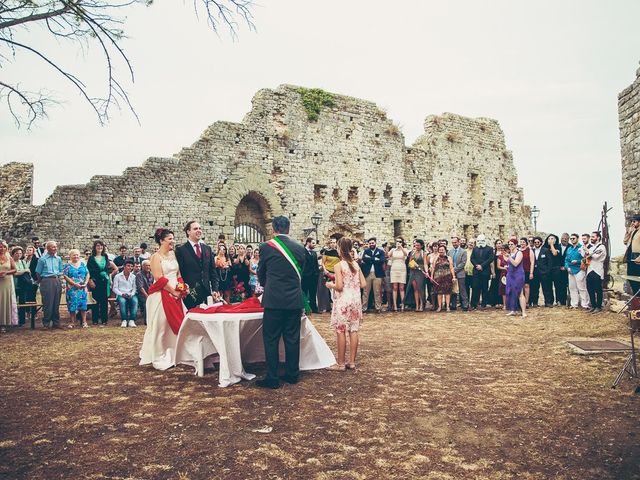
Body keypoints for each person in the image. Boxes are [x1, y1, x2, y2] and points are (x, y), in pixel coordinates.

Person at [256, 216, 306, 389]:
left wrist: (266, 285)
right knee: (292, 339)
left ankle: (272, 378)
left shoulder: (266, 247)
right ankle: (292, 375)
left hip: (274, 300)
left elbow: (261, 272)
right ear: (288, 229)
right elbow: (302, 275)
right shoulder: (300, 248)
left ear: (273, 229)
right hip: (294, 300)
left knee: (271, 339)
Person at [140, 228, 187, 370]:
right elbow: (159, 278)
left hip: (176, 292)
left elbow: (178, 273)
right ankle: (159, 354)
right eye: (169, 239)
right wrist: (172, 291)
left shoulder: (173, 254)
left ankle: (175, 351)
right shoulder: (156, 257)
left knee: (178, 323)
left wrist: (181, 288)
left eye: (173, 238)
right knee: (161, 325)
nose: (172, 241)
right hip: (162, 293)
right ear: (161, 241)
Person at [326, 237, 366, 371]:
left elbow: (339, 286)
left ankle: (341, 363)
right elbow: (364, 284)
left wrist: (329, 284)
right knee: (353, 330)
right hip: (355, 300)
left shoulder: (339, 265)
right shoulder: (356, 265)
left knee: (341, 330)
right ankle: (352, 362)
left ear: (340, 249)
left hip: (343, 301)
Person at [175, 221, 219, 309]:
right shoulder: (181, 250)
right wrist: (182, 290)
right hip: (190, 294)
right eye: (195, 229)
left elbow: (213, 272)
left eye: (200, 228)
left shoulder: (207, 249)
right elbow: (178, 274)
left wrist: (215, 289)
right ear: (188, 232)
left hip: (207, 293)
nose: (199, 231)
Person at [87, 240, 117, 326]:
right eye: (98, 246)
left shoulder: (105, 257)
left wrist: (109, 276)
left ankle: (104, 320)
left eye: (101, 246)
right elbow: (88, 271)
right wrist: (90, 280)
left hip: (104, 281)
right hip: (95, 281)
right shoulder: (91, 258)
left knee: (104, 302)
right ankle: (95, 320)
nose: (99, 247)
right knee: (95, 301)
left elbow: (108, 269)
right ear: (95, 247)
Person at [35, 240, 63, 329]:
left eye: (56, 247)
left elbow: (60, 270)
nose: (55, 248)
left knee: (56, 302)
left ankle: (56, 322)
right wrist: (42, 281)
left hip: (56, 280)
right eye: (53, 247)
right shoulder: (42, 259)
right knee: (48, 302)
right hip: (46, 280)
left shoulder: (58, 258)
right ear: (47, 248)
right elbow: (38, 273)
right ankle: (46, 323)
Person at [62, 249, 89, 328]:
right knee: (72, 305)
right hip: (72, 288)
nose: (76, 256)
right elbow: (65, 276)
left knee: (83, 305)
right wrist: (74, 284)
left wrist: (86, 283)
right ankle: (72, 322)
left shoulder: (83, 264)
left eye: (77, 254)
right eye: (74, 255)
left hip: (82, 288)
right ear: (70, 256)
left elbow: (87, 274)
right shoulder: (67, 265)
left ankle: (84, 322)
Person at [360, 237, 385, 313]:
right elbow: (364, 259)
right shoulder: (366, 251)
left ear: (375, 243)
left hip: (377, 274)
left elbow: (382, 260)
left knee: (377, 292)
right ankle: (364, 308)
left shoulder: (380, 251)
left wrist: (370, 259)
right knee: (365, 292)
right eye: (370, 243)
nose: (371, 244)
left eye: (372, 243)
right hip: (367, 274)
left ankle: (378, 308)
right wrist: (375, 259)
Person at [584, 231, 607, 314]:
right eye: (591, 237)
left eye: (593, 237)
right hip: (589, 270)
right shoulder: (592, 248)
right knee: (590, 289)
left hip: (597, 270)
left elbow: (596, 256)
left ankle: (598, 306)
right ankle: (593, 306)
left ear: (598, 238)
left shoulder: (602, 247)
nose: (591, 238)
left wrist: (588, 252)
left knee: (598, 289)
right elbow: (587, 256)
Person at [565, 233, 589, 309]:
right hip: (570, 270)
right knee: (572, 288)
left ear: (577, 239)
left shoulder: (582, 247)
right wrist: (567, 267)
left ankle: (585, 304)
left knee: (581, 288)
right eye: (571, 239)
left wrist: (578, 261)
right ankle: (574, 304)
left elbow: (586, 259)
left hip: (579, 269)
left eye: (573, 238)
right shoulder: (569, 249)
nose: (572, 240)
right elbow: (566, 260)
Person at [113, 259, 139, 327]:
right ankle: (124, 320)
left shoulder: (133, 276)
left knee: (135, 301)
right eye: (128, 266)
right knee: (122, 302)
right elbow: (114, 288)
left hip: (131, 294)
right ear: (124, 266)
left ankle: (131, 320)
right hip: (121, 294)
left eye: (131, 266)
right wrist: (122, 294)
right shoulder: (117, 276)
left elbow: (134, 288)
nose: (130, 267)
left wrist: (131, 294)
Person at [505, 238, 527, 317]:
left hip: (518, 275)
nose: (510, 246)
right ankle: (513, 310)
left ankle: (524, 312)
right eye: (509, 244)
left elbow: (516, 263)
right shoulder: (510, 253)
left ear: (515, 245)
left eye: (512, 244)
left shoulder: (519, 253)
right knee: (511, 292)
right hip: (510, 274)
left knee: (520, 293)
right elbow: (510, 264)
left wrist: (509, 257)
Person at [470, 234, 493, 309]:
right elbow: (472, 258)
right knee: (475, 287)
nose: (480, 242)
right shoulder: (475, 248)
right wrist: (477, 265)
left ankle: (484, 303)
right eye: (479, 241)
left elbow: (490, 259)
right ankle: (474, 304)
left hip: (485, 271)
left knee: (484, 288)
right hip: (476, 271)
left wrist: (482, 266)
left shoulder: (489, 249)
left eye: (482, 240)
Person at [431, 245, 455, 312]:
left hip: (447, 277)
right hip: (438, 277)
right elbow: (433, 268)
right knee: (439, 293)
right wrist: (432, 276)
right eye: (440, 250)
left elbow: (451, 267)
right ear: (438, 250)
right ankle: (439, 306)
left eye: (442, 250)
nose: (441, 251)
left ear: (445, 250)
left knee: (447, 292)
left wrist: (454, 276)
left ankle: (447, 306)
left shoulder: (449, 258)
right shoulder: (436, 258)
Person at [530, 237, 552, 307]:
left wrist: (548, 271)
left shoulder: (546, 250)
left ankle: (548, 302)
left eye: (538, 242)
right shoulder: (531, 251)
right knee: (535, 288)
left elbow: (550, 262)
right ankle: (535, 303)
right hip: (535, 272)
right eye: (535, 242)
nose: (536, 243)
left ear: (541, 243)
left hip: (544, 273)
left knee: (546, 288)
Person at [319, 238, 340, 313]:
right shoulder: (326, 252)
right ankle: (326, 306)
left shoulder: (339, 252)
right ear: (329, 244)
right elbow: (323, 262)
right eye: (331, 243)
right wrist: (325, 270)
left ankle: (334, 306)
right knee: (325, 290)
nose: (333, 244)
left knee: (334, 291)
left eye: (334, 243)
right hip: (327, 272)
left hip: (336, 273)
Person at [406, 239, 428, 311]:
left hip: (420, 272)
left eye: (418, 245)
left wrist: (426, 272)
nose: (417, 246)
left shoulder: (423, 253)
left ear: (421, 246)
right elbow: (410, 263)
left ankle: (422, 305)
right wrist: (412, 266)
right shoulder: (412, 252)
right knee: (415, 288)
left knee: (420, 288)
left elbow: (425, 263)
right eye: (416, 245)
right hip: (413, 271)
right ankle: (417, 305)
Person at [0, 241, 17, 332]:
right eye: (0, 247)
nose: (1, 249)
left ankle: (3, 323)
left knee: (4, 302)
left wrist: (6, 272)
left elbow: (15, 269)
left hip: (6, 282)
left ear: (6, 248)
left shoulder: (9, 258)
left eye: (3, 247)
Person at [388, 238, 408, 312]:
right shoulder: (393, 250)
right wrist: (392, 247)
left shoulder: (404, 249)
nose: (398, 243)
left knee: (402, 287)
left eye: (400, 242)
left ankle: (403, 305)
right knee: (395, 287)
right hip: (394, 269)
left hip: (402, 269)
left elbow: (406, 254)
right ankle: (395, 306)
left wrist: (401, 247)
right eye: (397, 241)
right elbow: (388, 255)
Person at [449, 237, 468, 311]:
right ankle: (453, 305)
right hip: (451, 274)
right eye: (453, 243)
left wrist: (455, 269)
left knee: (462, 289)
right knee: (453, 289)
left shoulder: (463, 252)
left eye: (455, 242)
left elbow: (463, 263)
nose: (454, 244)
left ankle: (465, 305)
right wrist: (451, 271)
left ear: (459, 242)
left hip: (460, 273)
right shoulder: (450, 252)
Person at [301, 237, 319, 312]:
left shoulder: (314, 253)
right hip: (305, 275)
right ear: (308, 243)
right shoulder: (302, 252)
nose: (314, 245)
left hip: (314, 276)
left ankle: (314, 308)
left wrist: (317, 273)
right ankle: (304, 308)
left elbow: (316, 264)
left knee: (313, 292)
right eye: (313, 243)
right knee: (304, 292)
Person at [623, 214, 640, 295]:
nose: (632, 223)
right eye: (632, 221)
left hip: (638, 258)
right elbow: (625, 241)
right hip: (631, 258)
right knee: (631, 277)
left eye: (634, 221)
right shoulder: (633, 231)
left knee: (637, 278)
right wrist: (628, 232)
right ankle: (637, 296)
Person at [136, 259, 154, 324]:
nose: (148, 267)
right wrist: (147, 295)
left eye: (149, 265)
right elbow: (140, 287)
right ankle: (147, 321)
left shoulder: (152, 274)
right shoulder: (139, 274)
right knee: (147, 302)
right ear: (142, 266)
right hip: (142, 294)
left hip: (151, 293)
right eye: (146, 265)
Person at [519, 237, 534, 305]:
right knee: (519, 286)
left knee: (526, 286)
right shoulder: (518, 251)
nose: (522, 243)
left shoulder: (529, 251)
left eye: (523, 242)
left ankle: (526, 302)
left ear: (526, 243)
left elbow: (532, 262)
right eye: (521, 242)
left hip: (526, 270)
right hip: (518, 271)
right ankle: (520, 301)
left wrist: (531, 272)